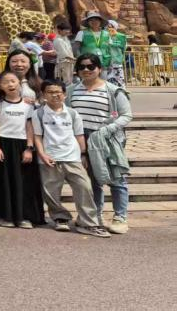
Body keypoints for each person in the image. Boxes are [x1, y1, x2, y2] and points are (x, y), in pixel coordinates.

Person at [30, 80, 110, 238]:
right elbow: (37, 137)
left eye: (58, 92)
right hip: (50, 158)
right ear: (44, 95)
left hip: (72, 157)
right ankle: (60, 217)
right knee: (51, 192)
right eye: (50, 92)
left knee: (84, 187)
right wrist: (42, 155)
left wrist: (83, 154)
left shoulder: (73, 114)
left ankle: (88, 222)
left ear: (65, 94)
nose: (55, 95)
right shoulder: (38, 114)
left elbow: (79, 135)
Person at [67, 53, 133, 234]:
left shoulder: (113, 90)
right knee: (91, 180)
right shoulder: (72, 90)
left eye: (91, 66)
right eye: (82, 67)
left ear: (99, 68)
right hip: (81, 139)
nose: (86, 70)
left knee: (116, 178)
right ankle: (95, 215)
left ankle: (120, 217)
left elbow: (126, 115)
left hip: (106, 138)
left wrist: (107, 130)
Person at [0, 71, 44, 229]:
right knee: (3, 182)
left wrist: (29, 148)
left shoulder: (28, 104)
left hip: (22, 145)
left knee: (24, 182)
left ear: (20, 83)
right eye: (5, 82)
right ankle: (5, 216)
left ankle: (24, 216)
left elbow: (29, 126)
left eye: (13, 81)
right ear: (0, 86)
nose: (10, 84)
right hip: (3, 144)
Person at [104, 21, 129, 88]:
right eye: (107, 26)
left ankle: (121, 91)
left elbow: (124, 47)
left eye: (110, 26)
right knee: (107, 80)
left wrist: (112, 43)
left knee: (118, 79)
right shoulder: (103, 36)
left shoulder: (121, 36)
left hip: (116, 60)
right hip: (106, 61)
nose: (108, 28)